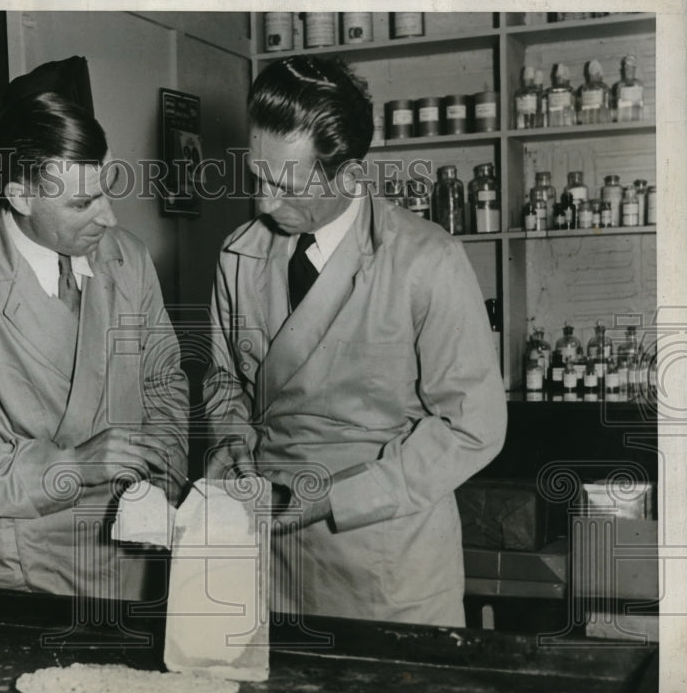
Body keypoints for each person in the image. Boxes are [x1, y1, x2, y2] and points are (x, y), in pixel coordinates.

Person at [202, 56, 507, 627]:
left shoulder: (425, 260)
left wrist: (331, 499)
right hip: (273, 559)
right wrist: (230, 441)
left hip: (386, 565)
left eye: (286, 186)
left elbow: (474, 426)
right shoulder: (238, 256)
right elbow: (223, 383)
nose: (264, 204)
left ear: (347, 175)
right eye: (257, 177)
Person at [0, 92, 189, 601]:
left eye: (106, 191)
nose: (109, 219)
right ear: (19, 196)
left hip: (127, 546)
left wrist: (162, 473)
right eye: (82, 203)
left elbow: (162, 379)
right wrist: (71, 468)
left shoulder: (128, 259)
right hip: (16, 559)